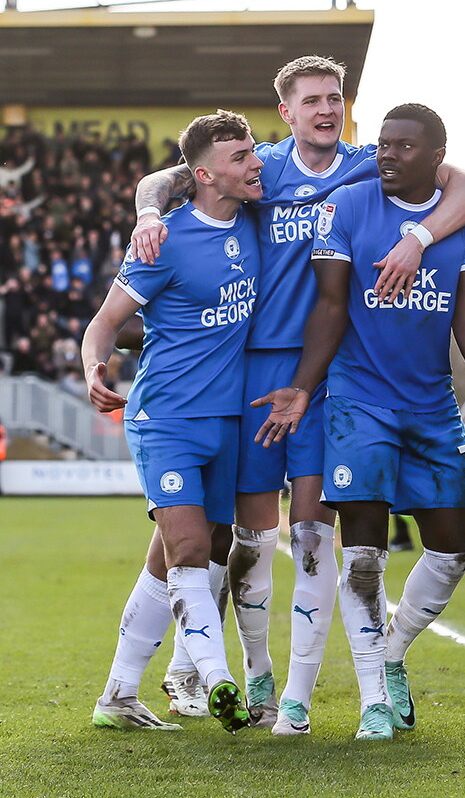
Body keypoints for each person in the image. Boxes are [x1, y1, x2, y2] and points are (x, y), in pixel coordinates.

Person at [130, 57, 465, 733]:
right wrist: (149, 211)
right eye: (312, 100)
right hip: (254, 372)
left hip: (332, 376)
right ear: (286, 113)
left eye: (335, 97)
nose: (327, 108)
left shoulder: (367, 165)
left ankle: (294, 694)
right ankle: (230, 668)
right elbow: (170, 177)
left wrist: (418, 236)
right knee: (242, 536)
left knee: (311, 533)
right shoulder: (259, 167)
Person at [253, 103, 465, 740]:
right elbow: (331, 307)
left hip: (432, 406)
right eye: (383, 144)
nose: (387, 154)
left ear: (436, 157)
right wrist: (303, 389)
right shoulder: (349, 207)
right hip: (358, 402)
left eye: (404, 147)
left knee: (453, 548)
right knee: (363, 555)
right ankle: (375, 702)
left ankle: (389, 654)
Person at [81, 110, 263, 732]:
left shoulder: (260, 220)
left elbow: (163, 181)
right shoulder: (165, 240)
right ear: (204, 174)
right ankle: (216, 678)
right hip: (167, 417)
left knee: (196, 548)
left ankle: (118, 695)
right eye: (239, 157)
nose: (254, 163)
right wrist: (92, 368)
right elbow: (103, 323)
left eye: (253, 152)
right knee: (188, 545)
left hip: (228, 421)